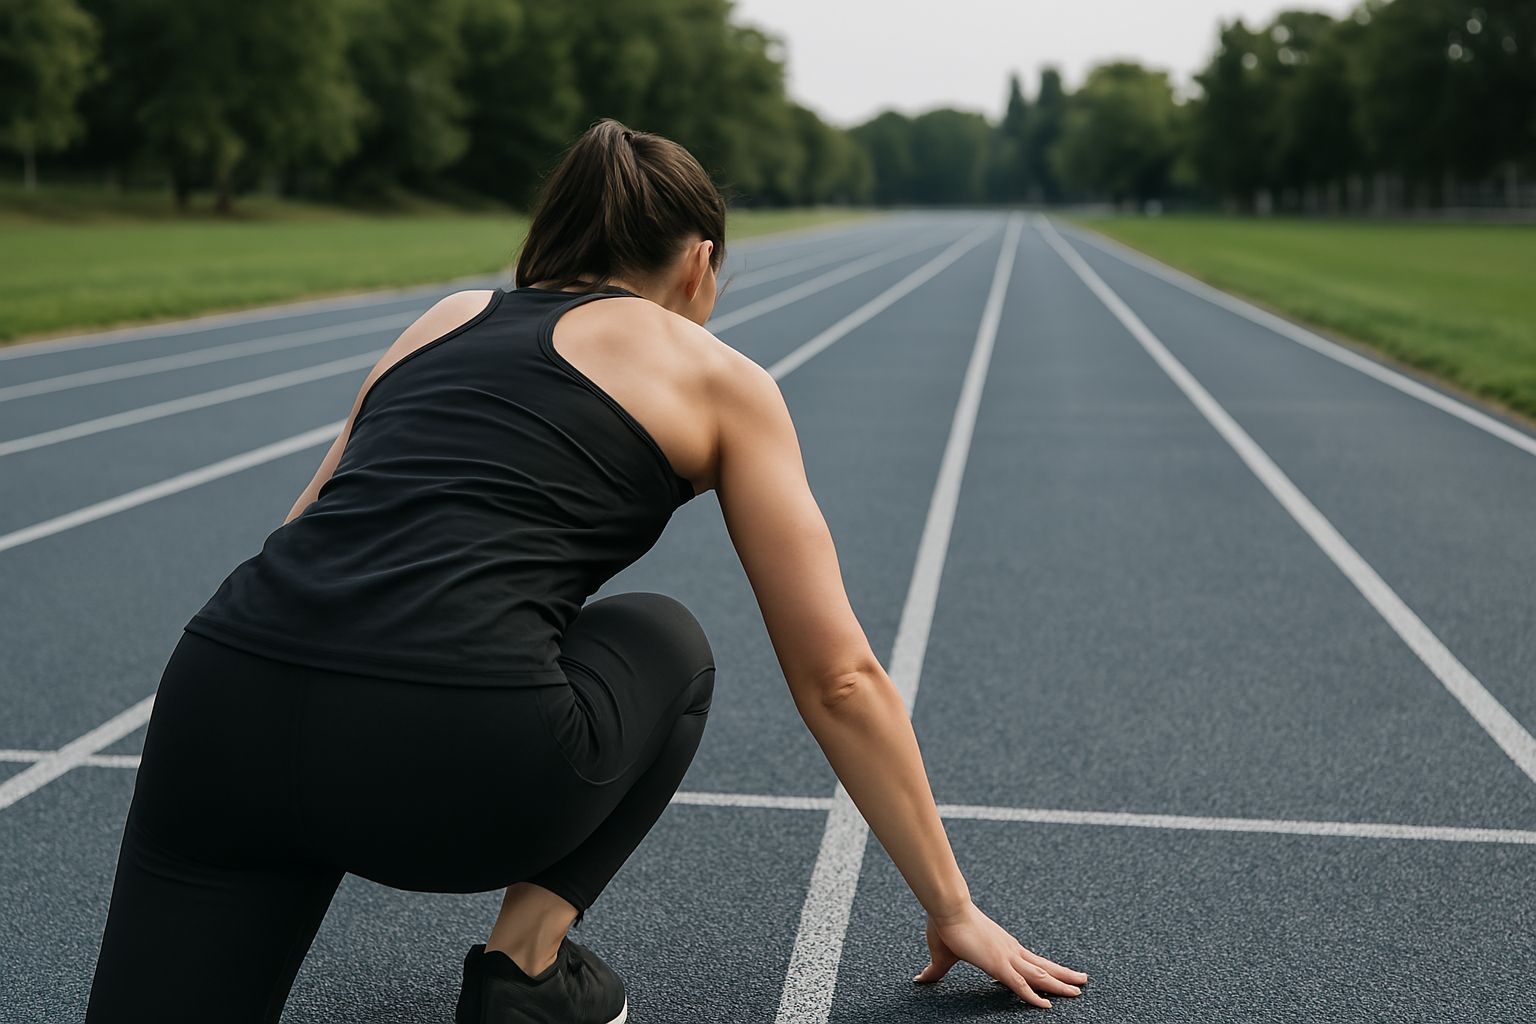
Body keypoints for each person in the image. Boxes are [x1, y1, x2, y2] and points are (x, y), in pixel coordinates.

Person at [84, 119, 1088, 1024]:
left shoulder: (443, 319)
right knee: (665, 640)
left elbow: (306, 525)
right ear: (701, 262)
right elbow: (839, 677)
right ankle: (523, 971)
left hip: (222, 703)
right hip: (453, 757)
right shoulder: (720, 379)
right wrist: (952, 905)